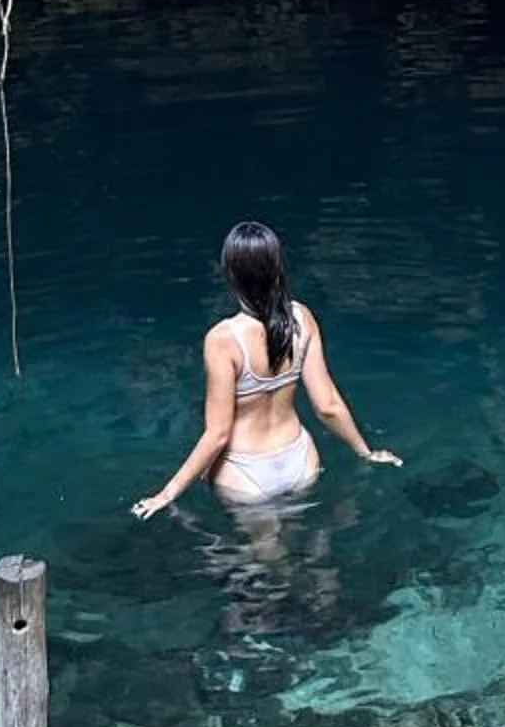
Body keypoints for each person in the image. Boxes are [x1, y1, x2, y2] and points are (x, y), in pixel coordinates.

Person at [133, 221, 400, 518]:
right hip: (301, 460)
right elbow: (328, 407)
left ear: (230, 274)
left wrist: (166, 494)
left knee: (270, 561)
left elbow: (218, 434)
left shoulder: (223, 339)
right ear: (277, 269)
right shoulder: (301, 318)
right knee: (316, 554)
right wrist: (366, 453)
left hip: (243, 473)